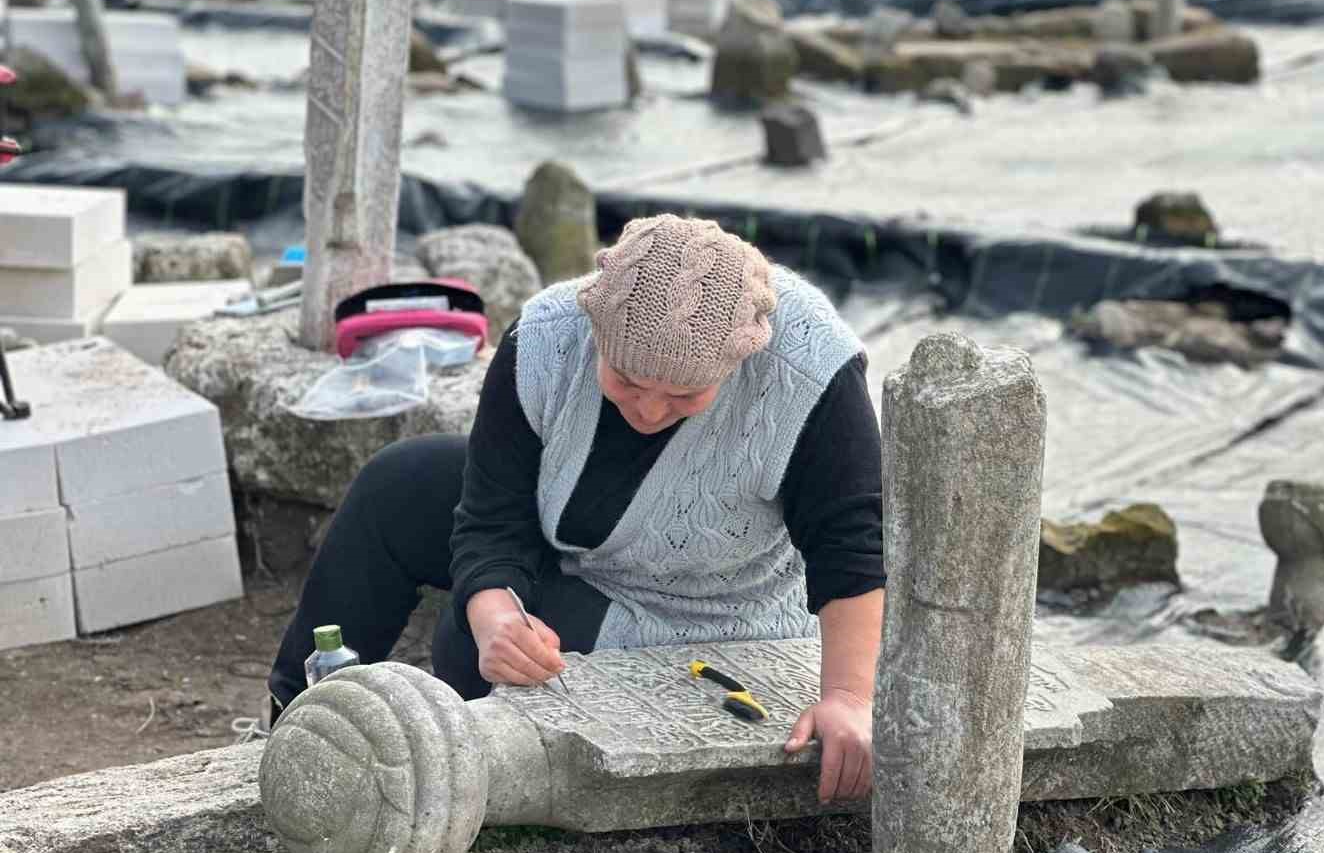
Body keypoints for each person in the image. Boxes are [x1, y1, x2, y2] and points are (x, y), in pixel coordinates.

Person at [264, 214, 885, 802]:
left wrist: (850, 698)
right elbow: (492, 515)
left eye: (683, 396)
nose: (647, 411)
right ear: (595, 334)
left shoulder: (807, 367)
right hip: (572, 538)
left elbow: (852, 547)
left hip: (703, 606)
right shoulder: (547, 335)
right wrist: (495, 611)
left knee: (469, 650)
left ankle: (445, 785)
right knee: (399, 487)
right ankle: (294, 728)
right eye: (627, 383)